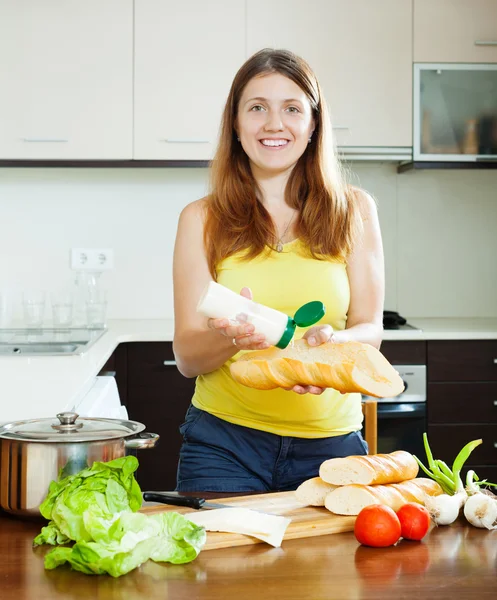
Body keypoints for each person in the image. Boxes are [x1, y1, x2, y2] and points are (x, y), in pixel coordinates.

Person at [172, 48, 384, 493]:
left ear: (313, 124)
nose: (274, 124)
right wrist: (232, 335)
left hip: (331, 448)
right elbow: (189, 358)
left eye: (292, 108)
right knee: (218, 565)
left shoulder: (355, 211)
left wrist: (333, 344)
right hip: (223, 445)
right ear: (235, 123)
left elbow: (370, 328)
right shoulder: (201, 219)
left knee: (330, 566)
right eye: (257, 108)